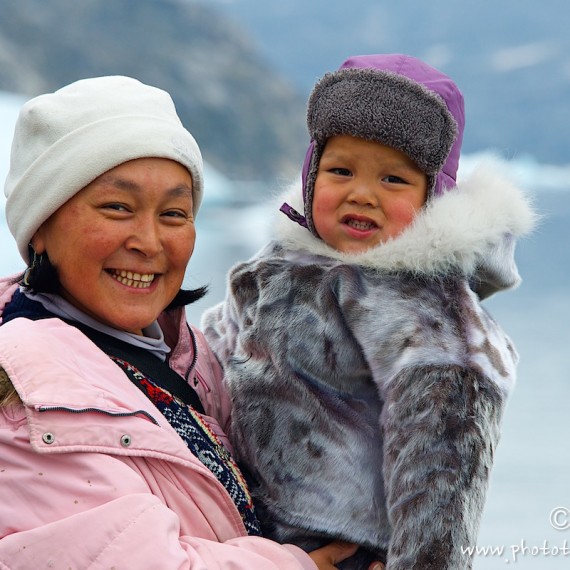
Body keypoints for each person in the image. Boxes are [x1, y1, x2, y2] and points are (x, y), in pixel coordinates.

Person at [0, 75, 385, 570]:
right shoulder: (26, 394)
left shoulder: (189, 357)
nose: (149, 241)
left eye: (174, 213)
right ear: (41, 227)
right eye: (117, 207)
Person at [201, 54, 537, 569]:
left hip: (352, 552)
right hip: (252, 540)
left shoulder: (422, 306)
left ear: (433, 196)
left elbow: (443, 460)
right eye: (341, 170)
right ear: (312, 176)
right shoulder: (276, 267)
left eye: (393, 180)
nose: (362, 193)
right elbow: (209, 358)